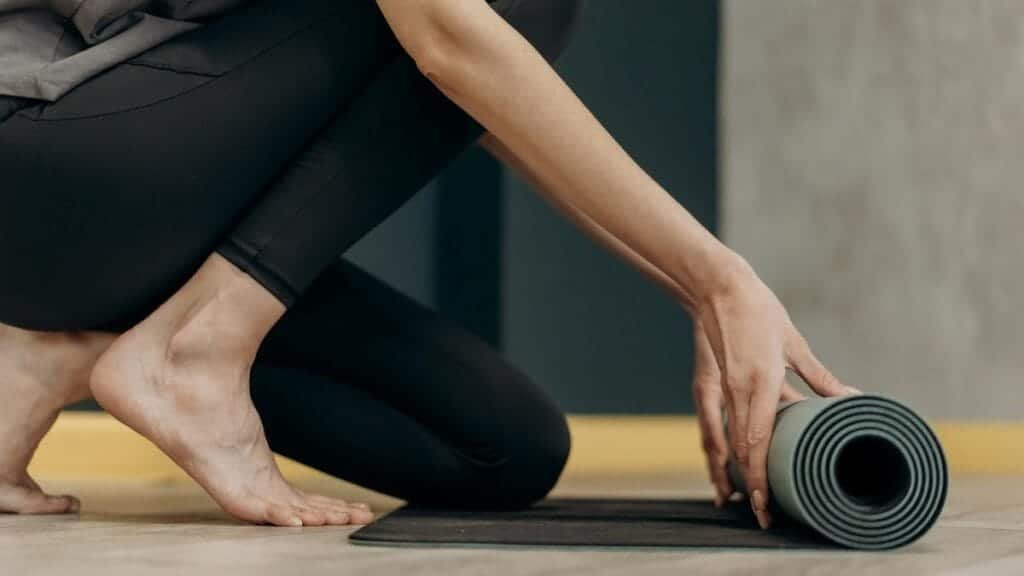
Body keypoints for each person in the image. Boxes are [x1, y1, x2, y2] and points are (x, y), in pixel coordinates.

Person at [0, 0, 859, 529]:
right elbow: (452, 40)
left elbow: (462, 84)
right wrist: (718, 281)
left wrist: (703, 295)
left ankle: (60, 349)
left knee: (503, 448)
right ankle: (195, 350)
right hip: (44, 159)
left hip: (130, 199)